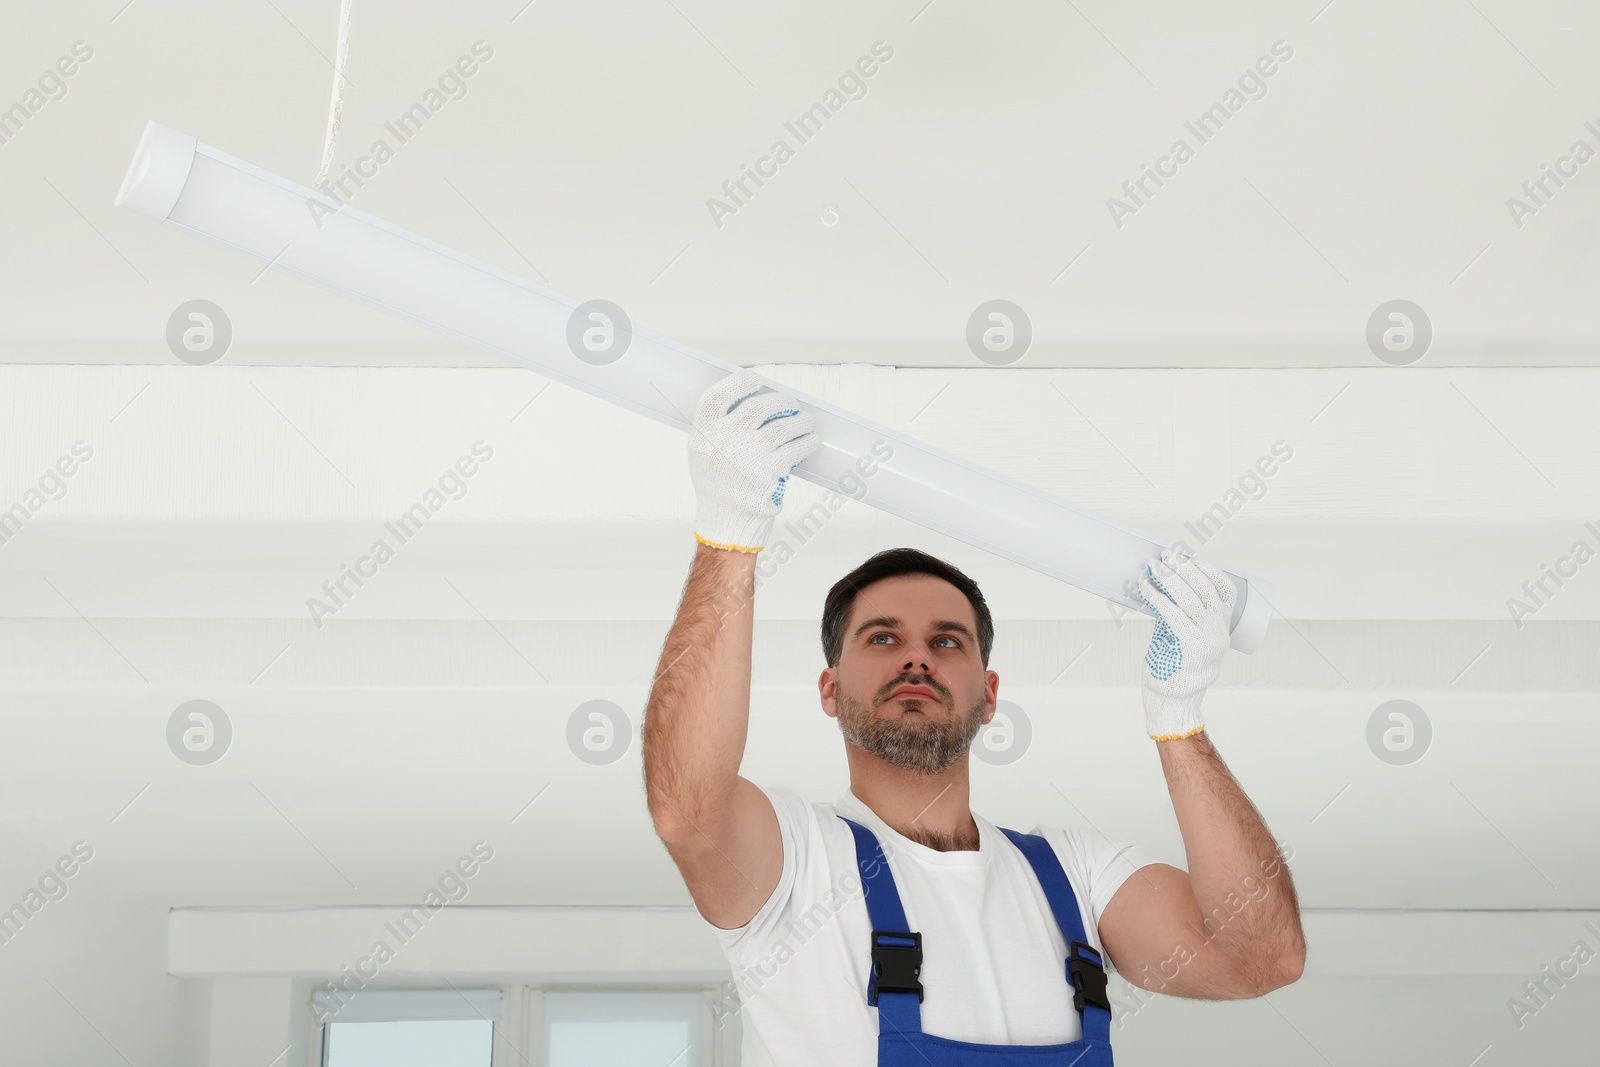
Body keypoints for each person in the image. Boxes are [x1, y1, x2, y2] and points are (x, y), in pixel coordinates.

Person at [642, 370, 1306, 1066]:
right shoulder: (799, 867)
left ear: (989, 694)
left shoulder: (1070, 878)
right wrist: (729, 532)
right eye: (883, 637)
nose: (918, 659)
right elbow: (688, 809)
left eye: (946, 640)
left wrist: (1180, 718)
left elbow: (1258, 957)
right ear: (830, 689)